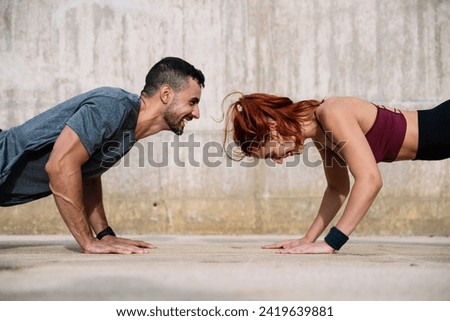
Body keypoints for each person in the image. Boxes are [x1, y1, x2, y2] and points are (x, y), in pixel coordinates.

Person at [0, 57, 205, 254]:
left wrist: (104, 234)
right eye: (192, 102)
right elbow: (60, 165)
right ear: (166, 94)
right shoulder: (113, 105)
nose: (196, 113)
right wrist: (87, 242)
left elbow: (87, 175)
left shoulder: (128, 131)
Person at [223, 93, 450, 254]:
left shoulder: (331, 112)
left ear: (272, 128)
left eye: (272, 154)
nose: (280, 160)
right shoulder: (320, 135)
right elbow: (337, 188)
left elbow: (370, 180)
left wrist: (332, 242)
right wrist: (307, 240)